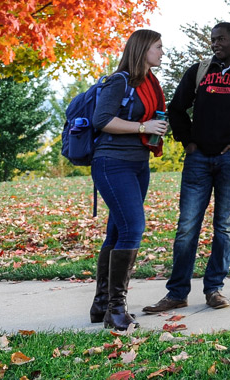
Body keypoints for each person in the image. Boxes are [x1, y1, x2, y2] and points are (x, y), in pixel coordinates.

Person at [143, 22, 230, 314]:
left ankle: (214, 289)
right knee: (187, 227)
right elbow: (176, 108)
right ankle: (177, 293)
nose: (216, 43)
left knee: (224, 227)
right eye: (213, 39)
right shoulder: (199, 71)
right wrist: (188, 141)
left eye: (222, 39)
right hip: (198, 160)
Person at [89, 29, 169, 331]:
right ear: (142, 49)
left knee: (117, 232)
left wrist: (152, 127)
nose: (162, 52)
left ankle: (101, 304)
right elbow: (102, 120)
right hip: (112, 163)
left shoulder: (150, 83)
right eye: (158, 47)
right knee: (133, 228)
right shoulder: (120, 81)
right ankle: (116, 309)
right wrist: (141, 126)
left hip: (137, 164)